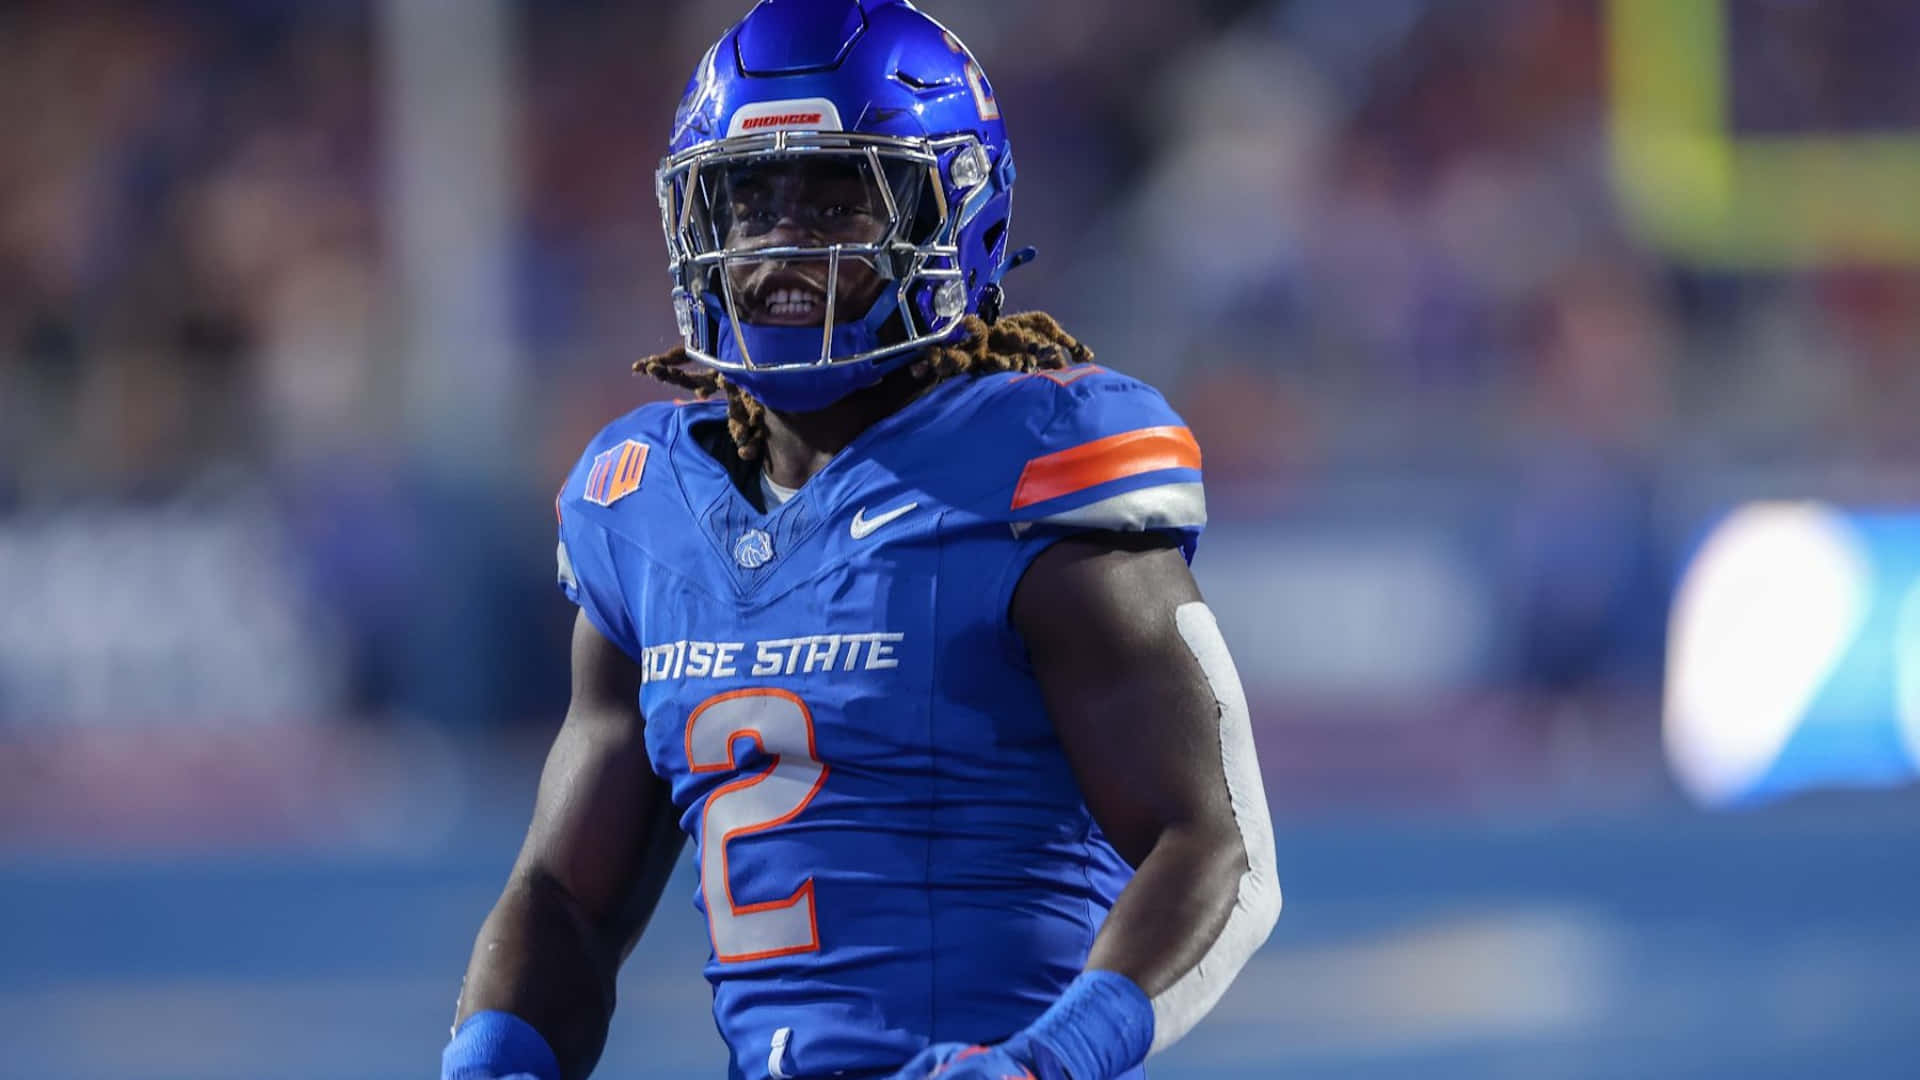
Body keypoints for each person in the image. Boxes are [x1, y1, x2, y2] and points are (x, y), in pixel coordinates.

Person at [442, 3, 1280, 1078]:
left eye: (838, 198)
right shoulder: (642, 508)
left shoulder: (1034, 469)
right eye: (751, 201)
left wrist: (1041, 1065)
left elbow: (1220, 850)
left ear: (957, 210)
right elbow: (565, 897)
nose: (781, 243)